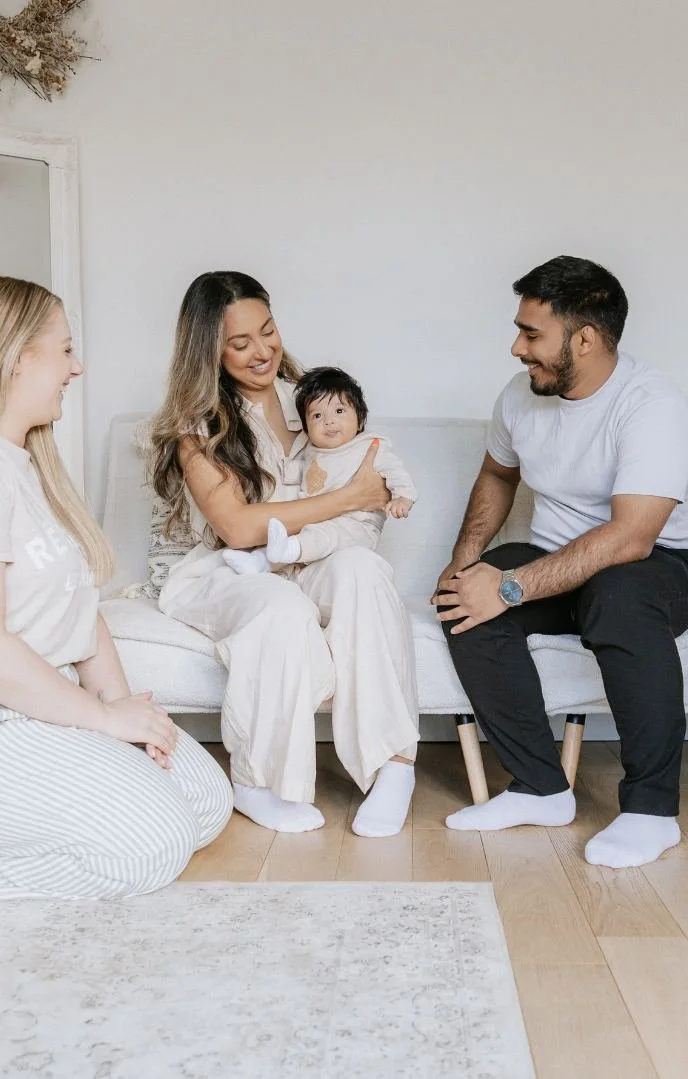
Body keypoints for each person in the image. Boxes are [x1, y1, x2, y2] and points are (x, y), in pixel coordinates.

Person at [434, 255, 688, 869]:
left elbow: (630, 538)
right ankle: (540, 789)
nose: (516, 348)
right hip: (559, 558)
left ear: (586, 338)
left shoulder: (652, 404)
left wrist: (513, 587)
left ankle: (652, 810)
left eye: (531, 333)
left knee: (617, 596)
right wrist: (465, 563)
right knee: (465, 598)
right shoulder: (519, 396)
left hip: (659, 562)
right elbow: (498, 473)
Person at [151, 271, 419, 838]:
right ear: (209, 352)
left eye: (267, 331)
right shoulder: (197, 426)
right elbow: (238, 526)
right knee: (279, 607)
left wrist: (367, 497)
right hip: (227, 568)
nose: (261, 352)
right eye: (239, 343)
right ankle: (258, 783)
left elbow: (368, 469)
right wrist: (349, 498)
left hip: (305, 556)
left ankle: (393, 766)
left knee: (363, 569)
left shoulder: (311, 398)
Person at [0, 277, 232, 899]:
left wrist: (127, 715)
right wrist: (103, 720)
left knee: (207, 804)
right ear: (19, 356)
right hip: (10, 715)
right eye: (66, 349)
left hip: (53, 700)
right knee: (152, 845)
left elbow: (81, 611)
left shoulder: (30, 466)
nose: (79, 367)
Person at [221, 365, 417, 574]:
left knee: (317, 538)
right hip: (320, 520)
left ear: (360, 419)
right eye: (317, 416)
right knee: (296, 537)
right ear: (306, 427)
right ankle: (257, 562)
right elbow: (295, 472)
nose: (329, 421)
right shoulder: (312, 451)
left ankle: (279, 554)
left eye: (339, 411)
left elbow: (395, 471)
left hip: (357, 526)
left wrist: (403, 497)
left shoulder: (370, 446)